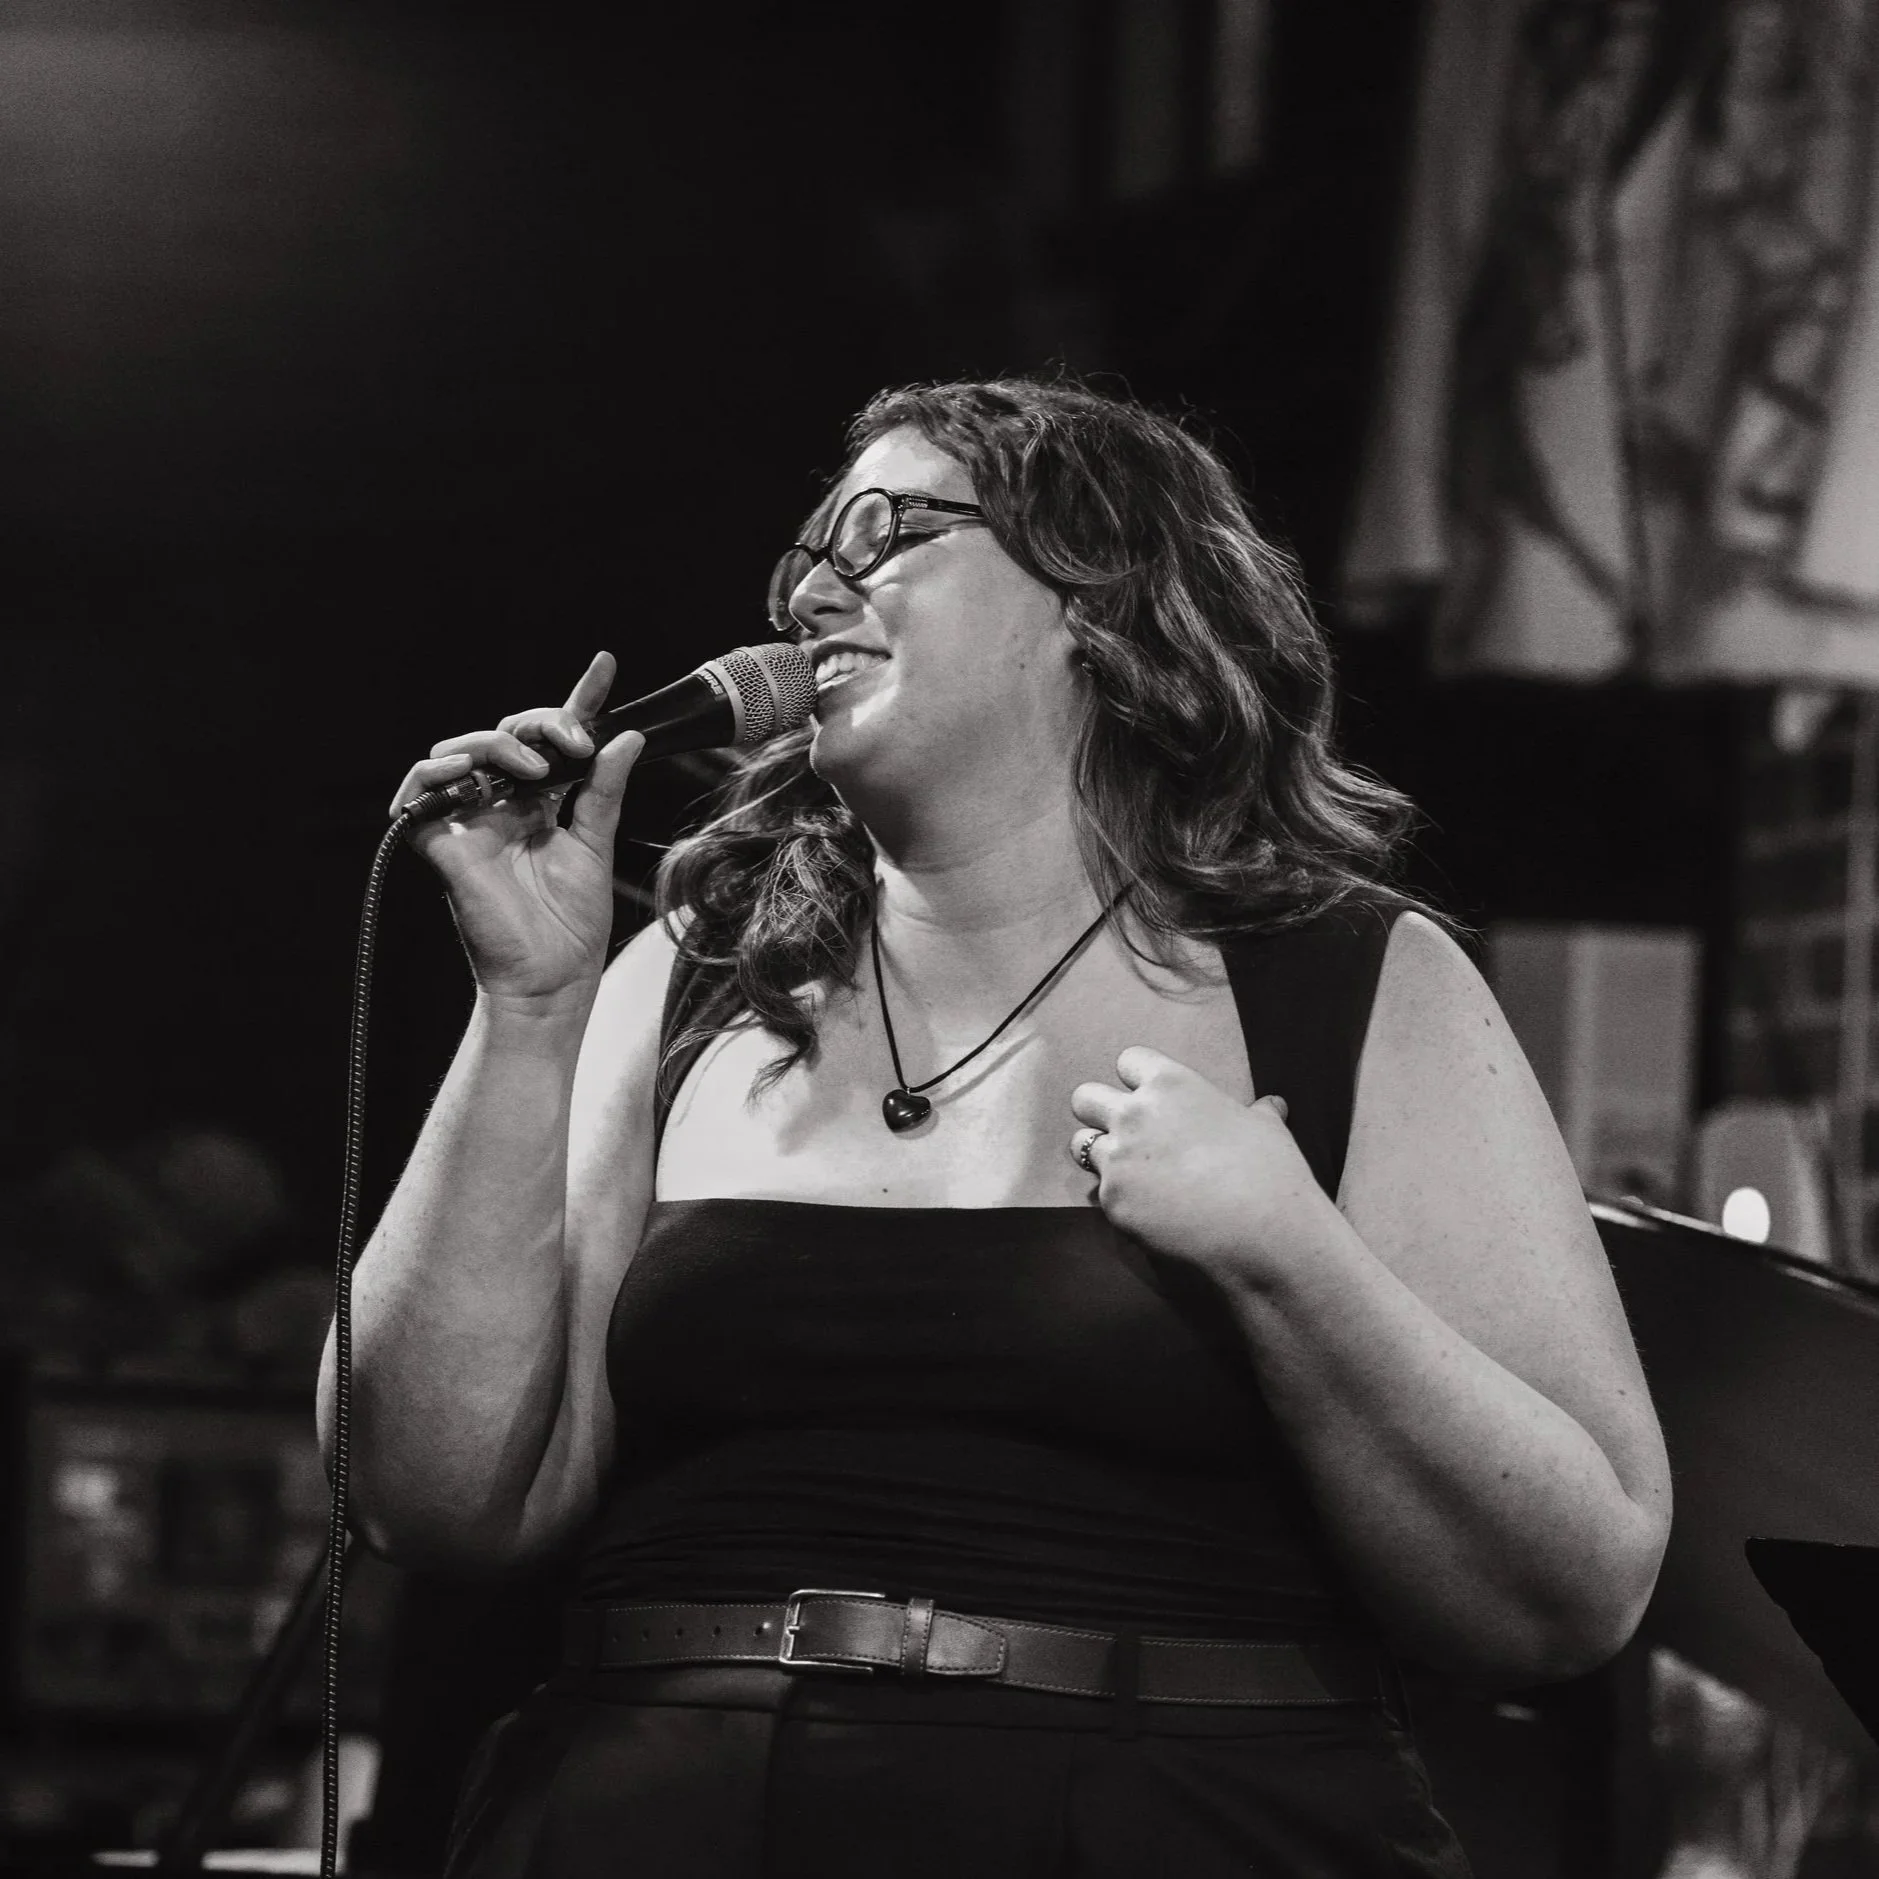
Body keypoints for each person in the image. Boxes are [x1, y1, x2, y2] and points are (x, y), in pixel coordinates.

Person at [321, 378, 1671, 1877]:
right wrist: (525, 1009)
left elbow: (1572, 1591)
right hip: (661, 1818)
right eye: (804, 555)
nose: (807, 591)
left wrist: (1292, 1258)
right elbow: (426, 1493)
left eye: (885, 533)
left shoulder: (1352, 983)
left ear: (1100, 601)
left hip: (1175, 1826)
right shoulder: (691, 972)